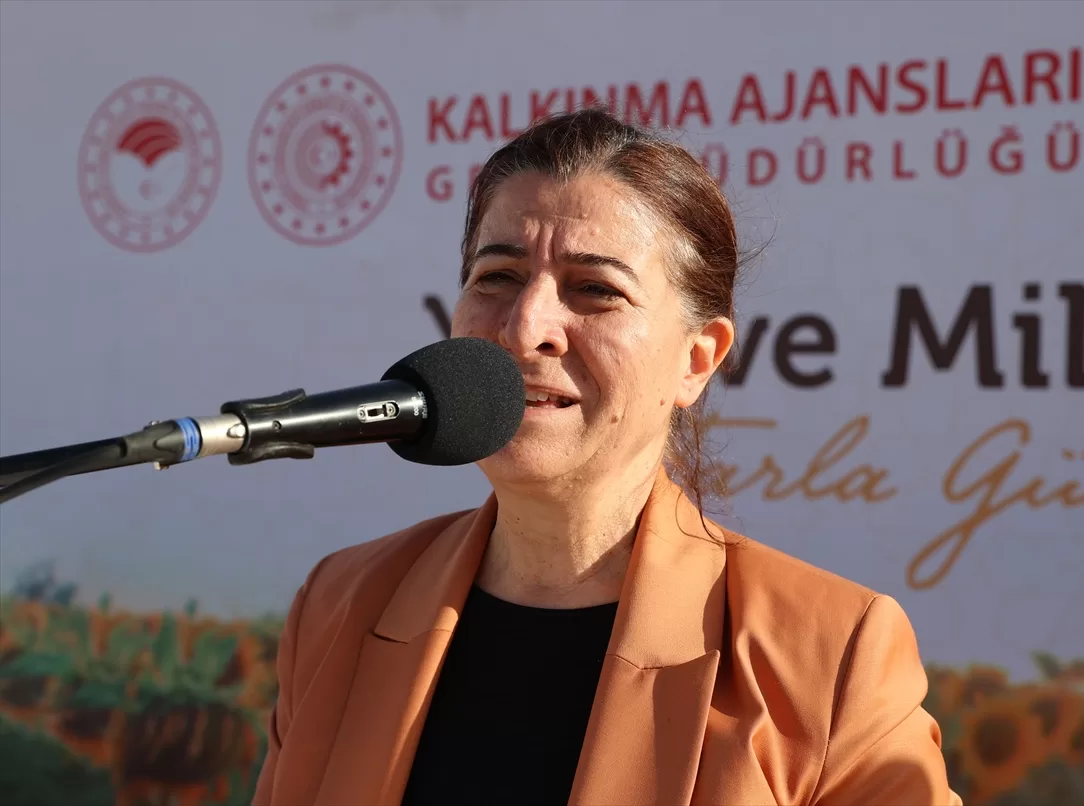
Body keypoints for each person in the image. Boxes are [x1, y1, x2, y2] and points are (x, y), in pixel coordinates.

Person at [251, 107, 960, 806]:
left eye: (595, 289)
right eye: (497, 277)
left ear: (697, 359)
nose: (526, 327)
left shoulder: (832, 655)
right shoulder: (341, 605)